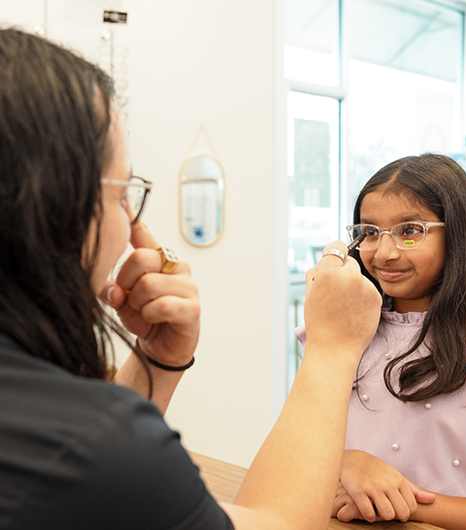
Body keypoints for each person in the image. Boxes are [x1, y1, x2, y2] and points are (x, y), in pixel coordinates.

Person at [0, 28, 382, 529]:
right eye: (122, 195)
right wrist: (331, 346)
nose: (134, 227)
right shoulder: (85, 442)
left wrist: (158, 362)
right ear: (54, 201)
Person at [296, 153, 466, 530]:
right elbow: (295, 460)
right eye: (370, 232)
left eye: (410, 230)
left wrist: (400, 502)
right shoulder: (343, 330)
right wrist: (346, 463)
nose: (385, 252)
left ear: (457, 232)